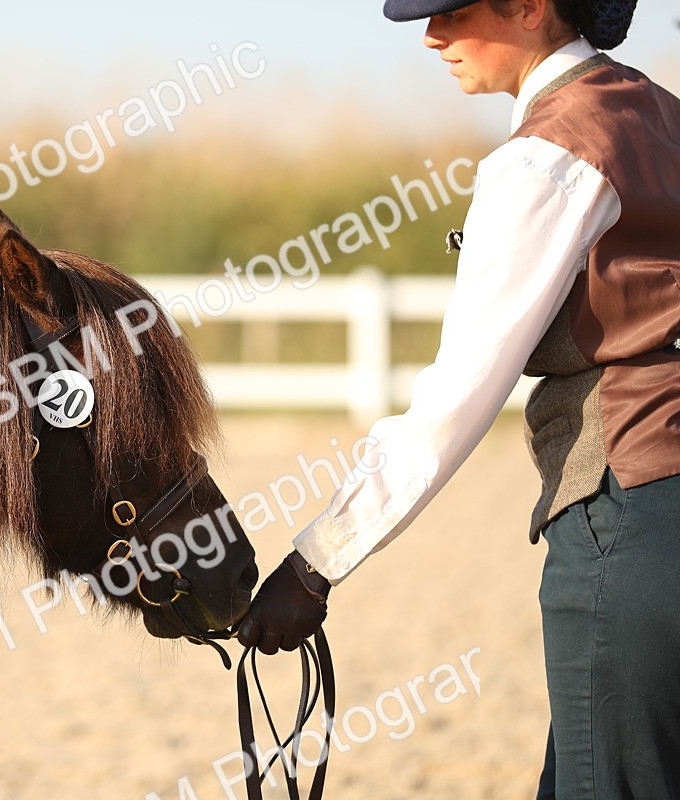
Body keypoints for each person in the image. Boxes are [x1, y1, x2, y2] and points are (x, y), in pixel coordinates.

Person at [235, 1, 680, 797]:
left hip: (628, 514)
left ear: (528, 6)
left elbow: (454, 403)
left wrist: (314, 564)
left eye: (450, 10)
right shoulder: (659, 113)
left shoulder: (545, 156)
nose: (431, 34)